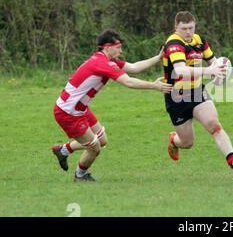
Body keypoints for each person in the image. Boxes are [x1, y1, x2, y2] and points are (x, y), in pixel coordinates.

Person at [51, 29, 172, 182]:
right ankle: (80, 176)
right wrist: (155, 86)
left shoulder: (107, 61)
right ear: (107, 47)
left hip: (79, 109)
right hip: (68, 112)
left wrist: (159, 57)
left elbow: (134, 68)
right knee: (95, 148)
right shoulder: (102, 63)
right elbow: (128, 82)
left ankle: (63, 150)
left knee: (102, 140)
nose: (121, 50)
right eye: (118, 46)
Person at [163, 11, 233, 178]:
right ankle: (174, 140)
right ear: (176, 28)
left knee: (214, 125)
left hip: (197, 92)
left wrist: (219, 74)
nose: (188, 32)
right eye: (184, 28)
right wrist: (209, 71)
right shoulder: (173, 43)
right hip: (176, 97)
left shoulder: (199, 41)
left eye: (191, 28)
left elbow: (214, 63)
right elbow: (180, 70)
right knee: (187, 142)